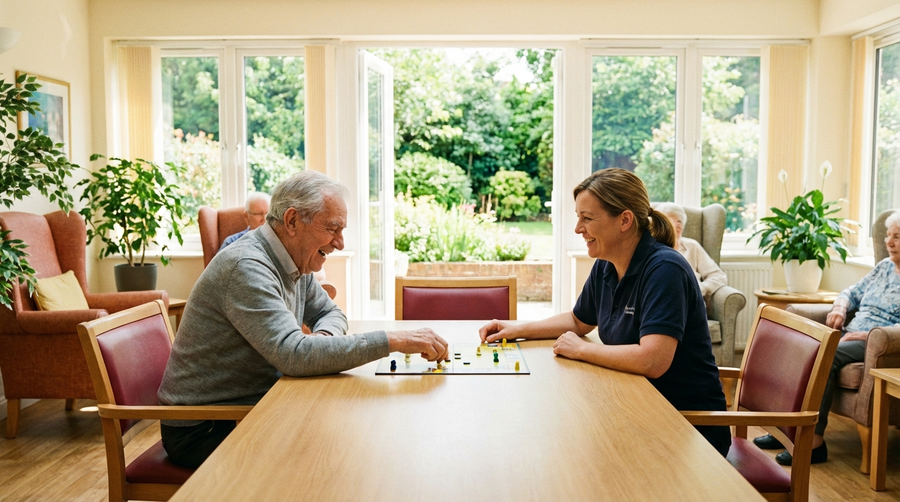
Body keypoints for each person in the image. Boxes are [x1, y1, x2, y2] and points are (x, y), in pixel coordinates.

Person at [158, 171, 449, 468]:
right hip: (207, 428)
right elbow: (294, 356)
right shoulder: (246, 266)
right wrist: (392, 340)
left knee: (355, 439)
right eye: (333, 228)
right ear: (293, 221)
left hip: (256, 404)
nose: (339, 243)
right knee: (337, 457)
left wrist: (321, 344)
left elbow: (330, 313)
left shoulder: (294, 262)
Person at [479, 168, 731, 456]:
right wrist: (517, 329)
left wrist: (581, 350)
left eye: (587, 218)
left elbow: (654, 360)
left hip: (685, 428)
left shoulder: (665, 270)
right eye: (578, 217)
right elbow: (578, 320)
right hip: (635, 409)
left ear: (624, 220)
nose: (577, 228)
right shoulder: (607, 263)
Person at [754, 210, 900, 466]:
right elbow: (852, 291)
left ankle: (814, 444)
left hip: (877, 343)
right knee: (798, 347)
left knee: (821, 355)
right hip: (850, 333)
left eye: (897, 237)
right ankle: (785, 427)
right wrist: (839, 307)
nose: (889, 242)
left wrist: (866, 335)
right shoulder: (884, 267)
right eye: (888, 236)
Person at [655, 202, 727, 306]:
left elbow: (718, 276)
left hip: (690, 305)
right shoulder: (650, 248)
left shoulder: (692, 246)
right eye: (670, 221)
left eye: (679, 221)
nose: (676, 225)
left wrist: (700, 289)